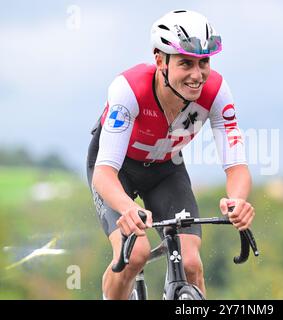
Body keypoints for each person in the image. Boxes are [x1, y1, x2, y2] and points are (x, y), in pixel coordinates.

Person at [86, 9, 255, 300]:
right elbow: (104, 174)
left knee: (190, 264)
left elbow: (236, 166)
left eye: (204, 62)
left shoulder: (216, 92)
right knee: (134, 254)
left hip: (166, 170)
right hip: (117, 173)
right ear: (160, 59)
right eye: (185, 63)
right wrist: (127, 208)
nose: (197, 74)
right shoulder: (129, 90)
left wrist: (238, 200)